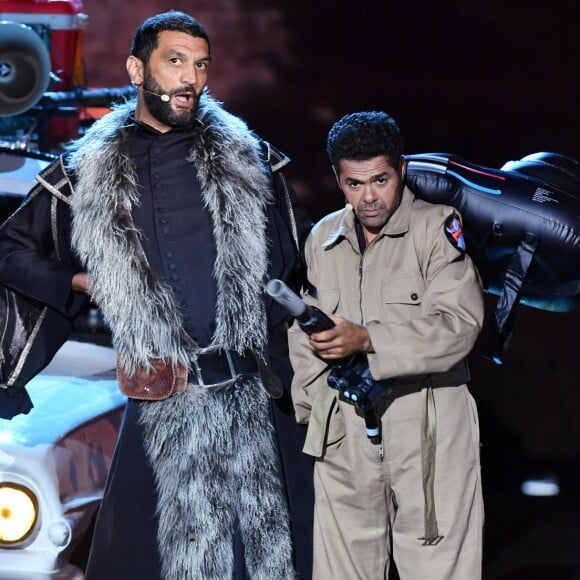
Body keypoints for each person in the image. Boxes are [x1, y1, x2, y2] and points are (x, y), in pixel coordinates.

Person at [0, 11, 314, 580]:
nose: (189, 78)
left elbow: (302, 264)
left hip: (259, 404)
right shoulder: (87, 171)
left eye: (199, 65)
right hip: (157, 407)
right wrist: (80, 280)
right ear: (135, 68)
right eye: (175, 62)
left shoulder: (250, 160)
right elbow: (10, 251)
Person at [287, 111, 485, 579]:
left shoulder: (436, 228)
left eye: (380, 179)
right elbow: (303, 332)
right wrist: (317, 413)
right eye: (355, 184)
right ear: (338, 179)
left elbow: (460, 323)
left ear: (401, 171)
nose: (369, 196)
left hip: (428, 428)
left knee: (439, 568)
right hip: (346, 434)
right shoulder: (323, 238)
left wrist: (369, 339)